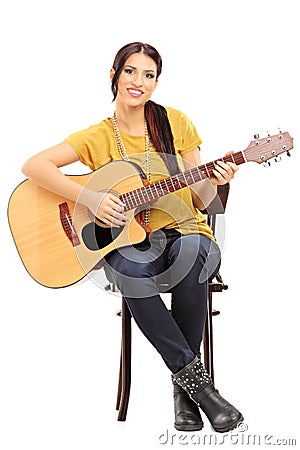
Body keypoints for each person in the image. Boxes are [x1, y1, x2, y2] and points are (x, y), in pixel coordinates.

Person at [22, 42, 243, 433]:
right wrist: (90, 197)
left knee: (193, 254)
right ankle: (201, 391)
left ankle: (186, 392)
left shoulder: (176, 123)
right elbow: (34, 165)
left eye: (148, 75)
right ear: (114, 75)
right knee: (130, 271)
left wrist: (217, 180)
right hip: (130, 243)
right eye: (130, 71)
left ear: (156, 84)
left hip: (185, 231)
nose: (138, 81)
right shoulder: (98, 136)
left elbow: (200, 199)